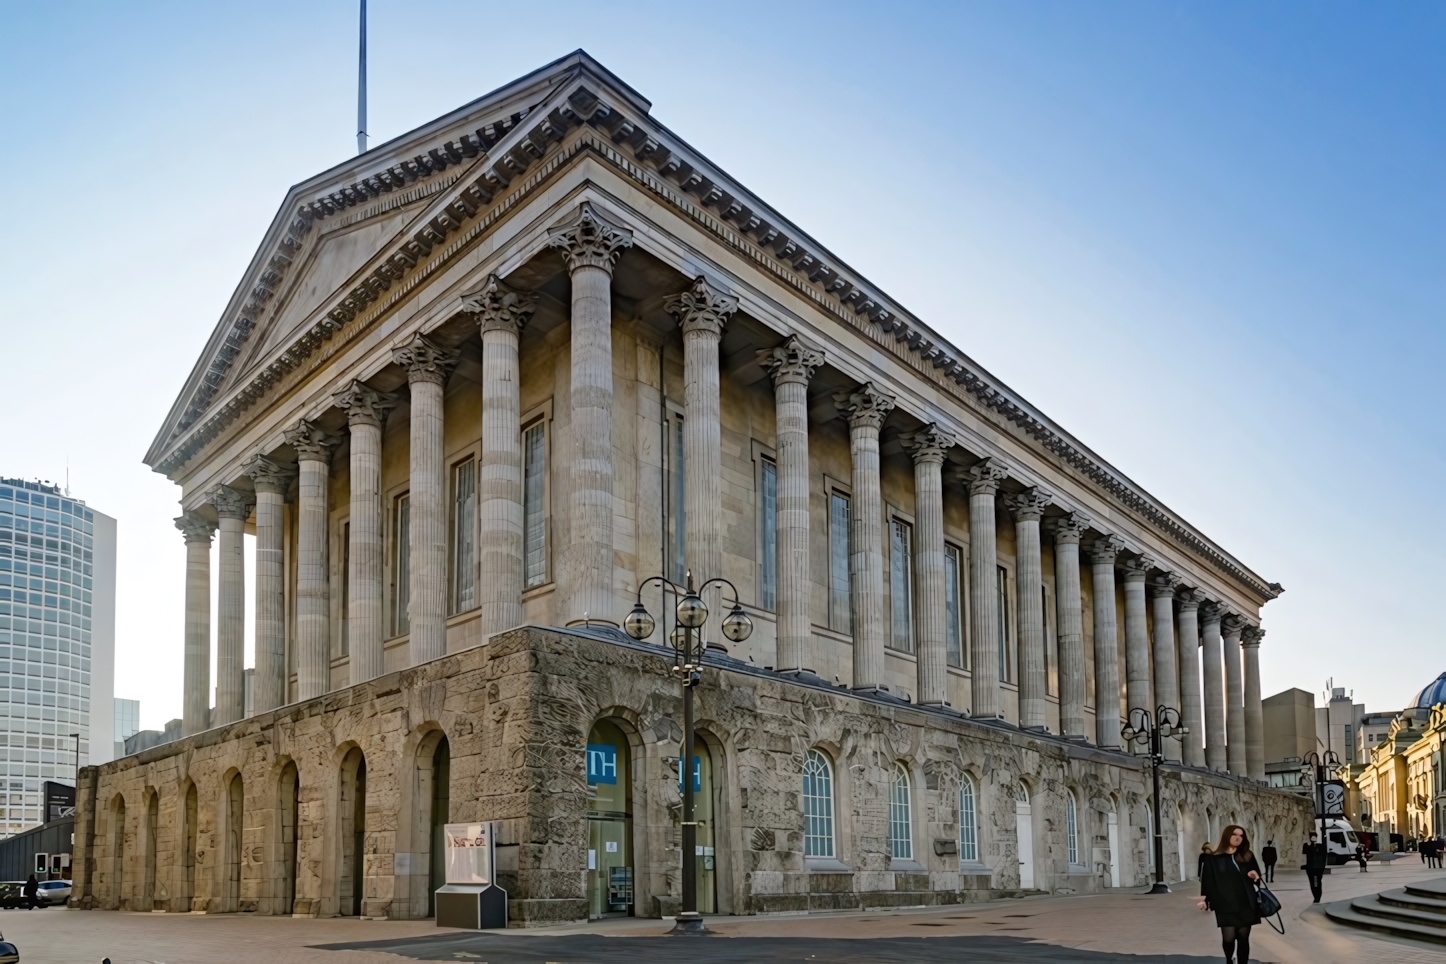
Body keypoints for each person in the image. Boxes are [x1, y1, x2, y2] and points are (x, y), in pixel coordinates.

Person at [1199, 824, 1262, 964]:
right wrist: (1204, 899)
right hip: (1225, 904)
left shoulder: (1247, 856)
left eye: (1241, 836)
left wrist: (1254, 876)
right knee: (1228, 938)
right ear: (1227, 835)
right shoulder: (1213, 858)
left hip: (1246, 902)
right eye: (1235, 834)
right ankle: (1229, 959)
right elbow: (1207, 880)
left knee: (1243, 937)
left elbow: (1257, 876)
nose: (1238, 838)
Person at [1303, 831, 1327, 903]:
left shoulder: (1321, 846)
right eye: (1311, 837)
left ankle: (1317, 896)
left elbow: (1324, 857)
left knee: (1317, 882)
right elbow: (1304, 853)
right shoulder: (1307, 846)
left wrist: (1322, 868)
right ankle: (1315, 896)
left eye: (1314, 836)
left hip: (1318, 868)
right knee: (1312, 883)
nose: (1313, 838)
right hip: (1310, 868)